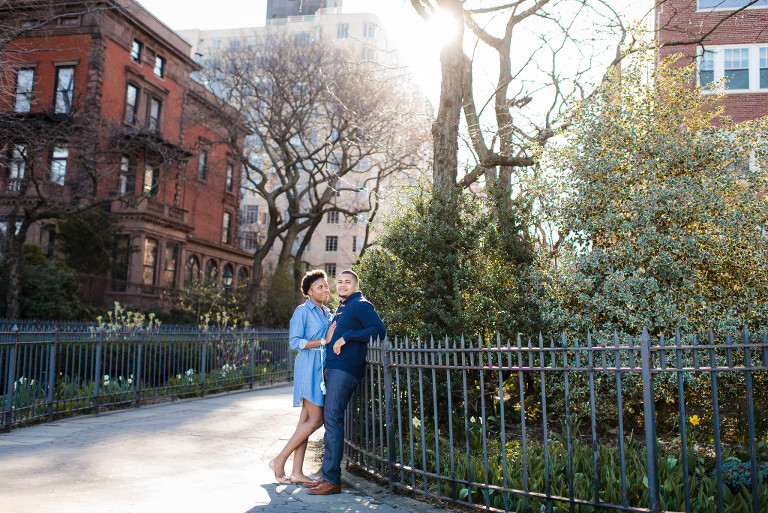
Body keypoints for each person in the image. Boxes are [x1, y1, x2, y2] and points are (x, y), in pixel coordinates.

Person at [306, 269, 385, 495]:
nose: (342, 285)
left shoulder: (360, 304)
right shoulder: (343, 307)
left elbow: (379, 330)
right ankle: (327, 475)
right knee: (330, 419)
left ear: (356, 285)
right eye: (339, 281)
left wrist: (348, 337)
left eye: (347, 282)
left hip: (345, 369)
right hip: (334, 367)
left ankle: (332, 480)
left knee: (332, 418)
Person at [269, 269, 333, 484]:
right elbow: (294, 342)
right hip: (308, 367)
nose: (325, 289)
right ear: (309, 292)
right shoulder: (302, 311)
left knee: (304, 422)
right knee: (316, 420)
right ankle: (279, 460)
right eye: (319, 287)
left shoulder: (327, 312)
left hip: (321, 367)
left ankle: (296, 472)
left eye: (326, 286)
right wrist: (323, 341)